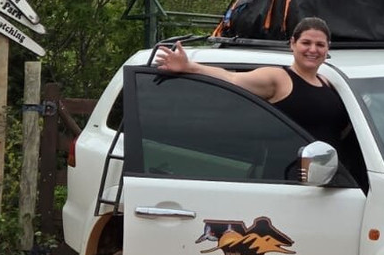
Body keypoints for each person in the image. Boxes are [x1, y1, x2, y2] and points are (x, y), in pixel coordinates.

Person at [154, 16, 365, 186]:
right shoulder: (278, 78)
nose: (313, 49)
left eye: (320, 44)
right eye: (306, 43)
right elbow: (232, 78)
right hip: (287, 177)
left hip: (328, 180)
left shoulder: (328, 82)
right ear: (293, 44)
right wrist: (191, 67)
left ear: (328, 48)